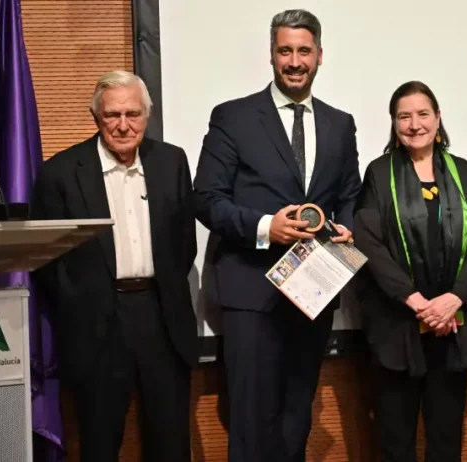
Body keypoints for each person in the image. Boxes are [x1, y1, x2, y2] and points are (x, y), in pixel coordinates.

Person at [193, 9, 361, 462]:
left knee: (296, 418)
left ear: (320, 55)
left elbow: (349, 195)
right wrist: (268, 227)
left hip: (315, 290)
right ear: (271, 55)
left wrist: (347, 227)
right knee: (251, 422)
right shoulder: (233, 117)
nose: (295, 61)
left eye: (304, 51)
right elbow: (206, 198)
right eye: (285, 50)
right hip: (251, 293)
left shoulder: (340, 123)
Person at [30, 70, 198, 462]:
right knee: (100, 444)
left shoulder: (171, 161)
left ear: (147, 115)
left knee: (171, 442)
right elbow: (47, 261)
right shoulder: (60, 173)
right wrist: (80, 300)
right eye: (112, 115)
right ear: (96, 117)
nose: (123, 125)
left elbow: (183, 243)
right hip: (97, 325)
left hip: (162, 318)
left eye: (133, 114)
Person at [353, 81, 467, 462]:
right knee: (395, 444)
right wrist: (417, 303)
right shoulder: (379, 173)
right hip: (398, 327)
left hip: (453, 329)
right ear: (394, 123)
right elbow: (369, 245)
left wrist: (453, 300)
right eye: (404, 117)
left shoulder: (463, 172)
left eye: (422, 114)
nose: (414, 125)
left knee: (446, 443)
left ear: (438, 117)